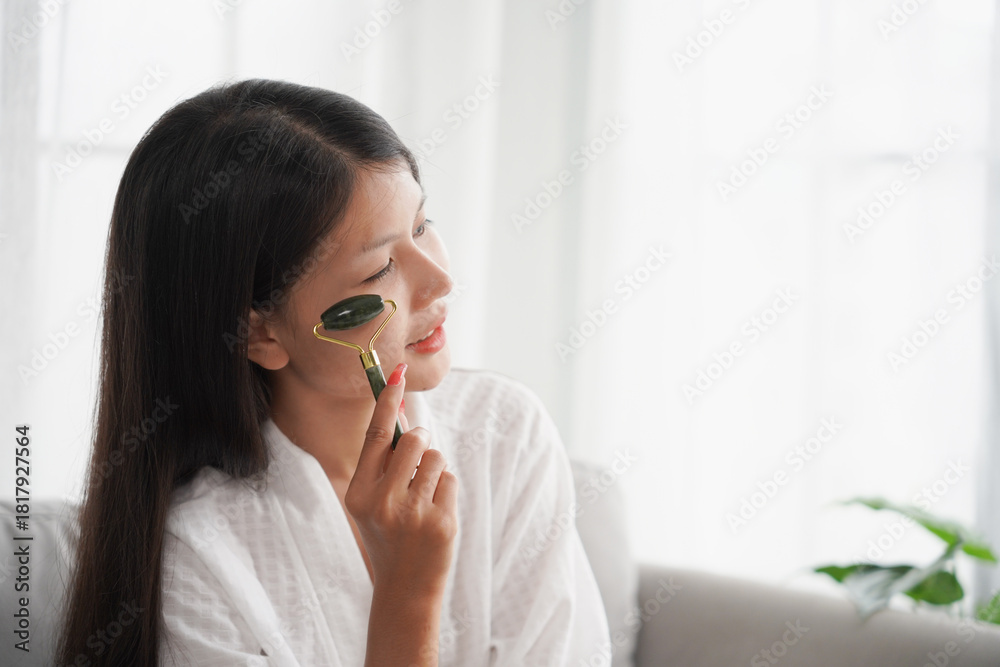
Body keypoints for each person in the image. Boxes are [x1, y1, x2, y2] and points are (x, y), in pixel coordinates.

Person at [55, 78, 611, 666]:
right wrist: (409, 594)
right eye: (378, 270)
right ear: (260, 334)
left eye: (422, 226)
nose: (440, 280)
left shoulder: (504, 432)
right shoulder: (196, 559)